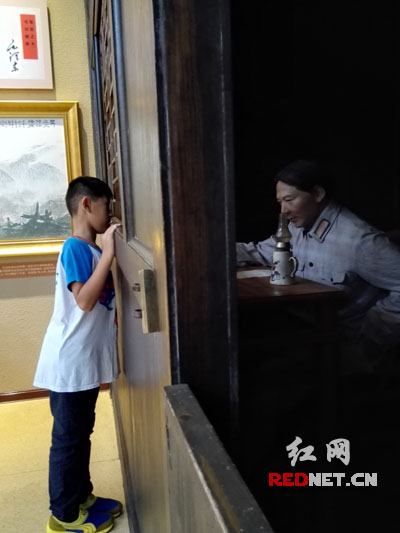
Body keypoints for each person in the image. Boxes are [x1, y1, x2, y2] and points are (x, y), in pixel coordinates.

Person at [237, 160, 400, 364]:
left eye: (289, 200)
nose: (283, 210)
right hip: (306, 335)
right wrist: (213, 252)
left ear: (317, 194)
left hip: (343, 347)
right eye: (280, 202)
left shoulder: (359, 241)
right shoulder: (297, 227)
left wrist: (370, 339)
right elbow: (259, 252)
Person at [34, 177, 122, 533]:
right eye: (107, 206)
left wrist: (107, 252)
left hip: (82, 362)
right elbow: (84, 301)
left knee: (80, 435)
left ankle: (81, 496)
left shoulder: (92, 250)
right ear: (87, 204)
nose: (110, 214)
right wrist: (110, 253)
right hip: (69, 362)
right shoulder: (75, 247)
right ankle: (64, 515)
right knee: (68, 441)